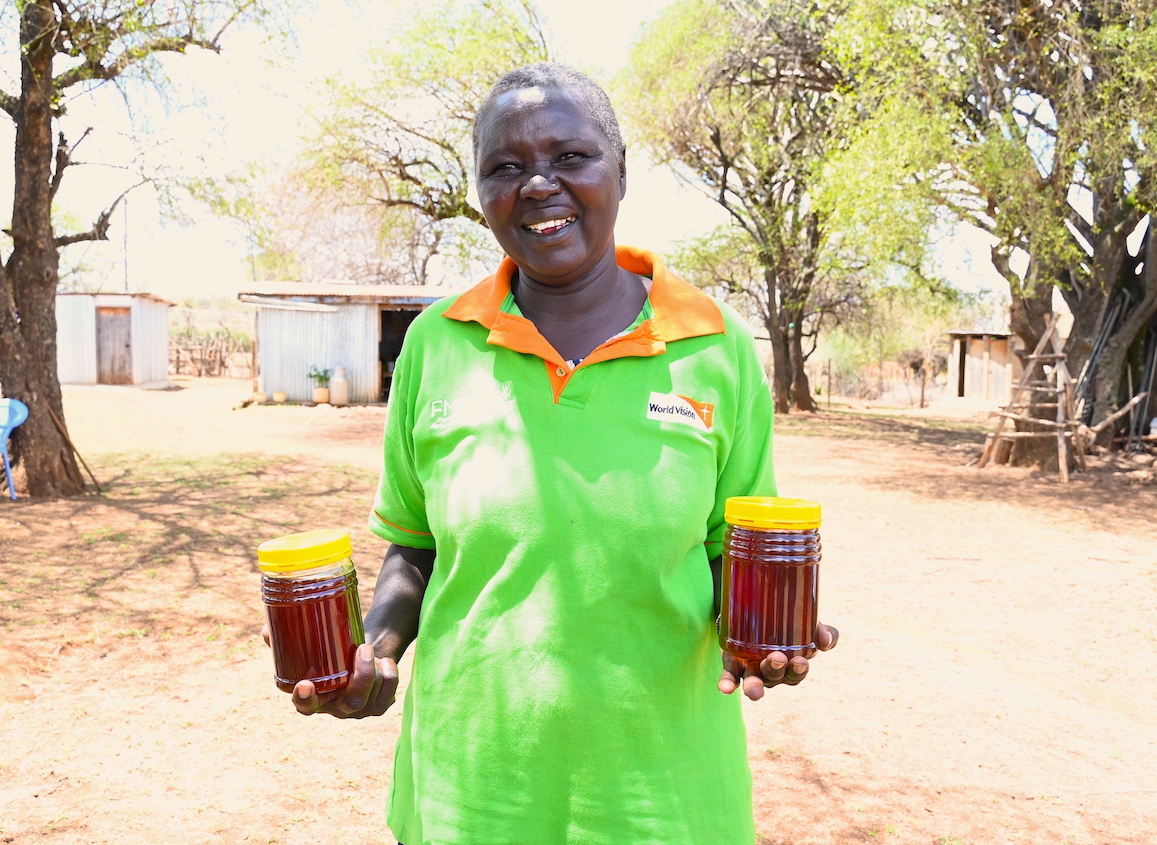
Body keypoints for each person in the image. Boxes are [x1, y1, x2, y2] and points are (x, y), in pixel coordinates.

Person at [277, 62, 838, 844]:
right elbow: (412, 544)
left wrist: (765, 637)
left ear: (620, 170)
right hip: (470, 795)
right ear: (481, 193)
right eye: (506, 167)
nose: (539, 184)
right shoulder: (438, 344)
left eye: (569, 156)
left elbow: (734, 550)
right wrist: (376, 651)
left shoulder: (716, 345)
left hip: (664, 798)